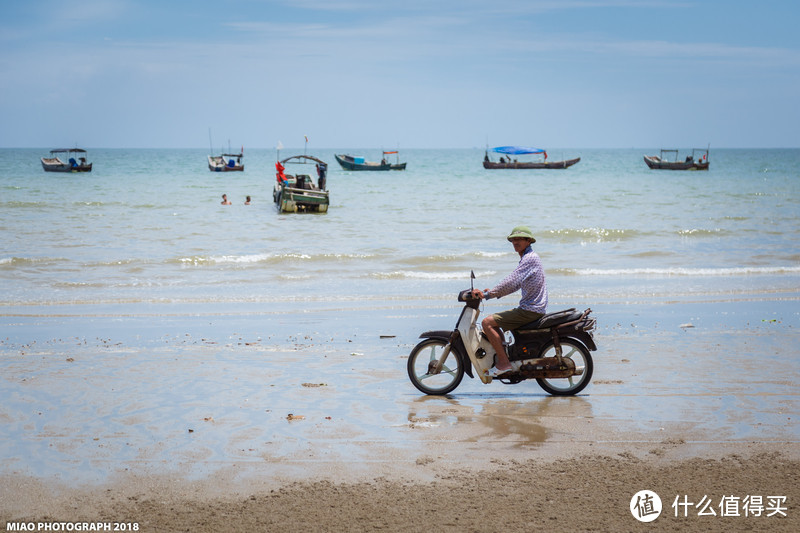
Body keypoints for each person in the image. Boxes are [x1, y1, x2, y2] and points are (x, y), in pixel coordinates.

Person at [472, 226, 548, 375]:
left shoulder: (529, 258)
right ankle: (504, 355)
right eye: (513, 240)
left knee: (487, 323)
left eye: (519, 239)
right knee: (495, 322)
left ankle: (504, 363)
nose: (515, 242)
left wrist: (488, 295)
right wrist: (491, 292)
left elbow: (511, 282)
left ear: (528, 241)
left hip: (530, 309)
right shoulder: (528, 258)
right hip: (533, 308)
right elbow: (514, 284)